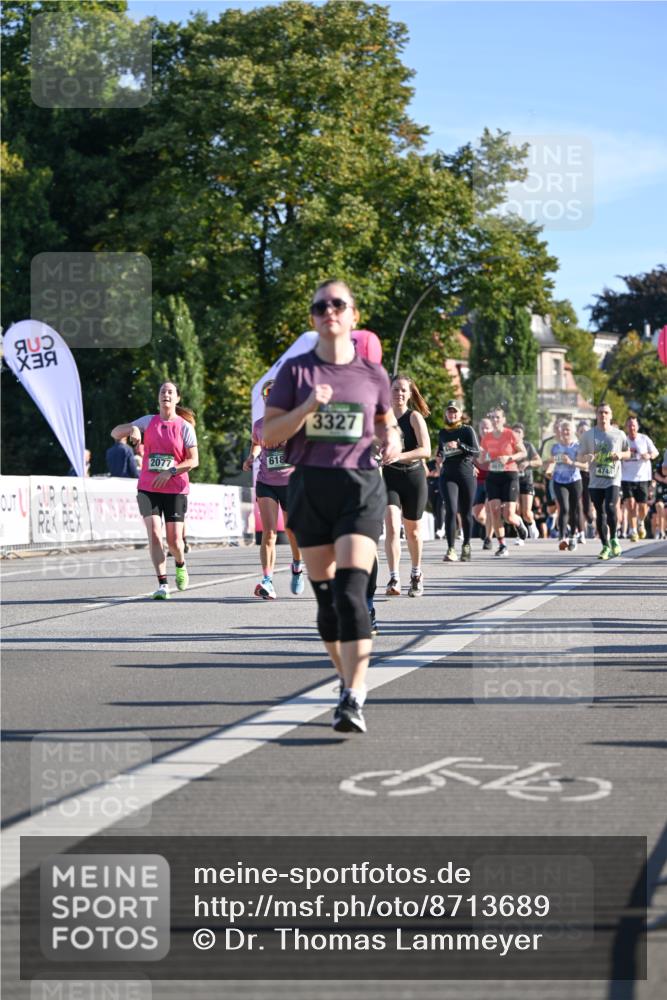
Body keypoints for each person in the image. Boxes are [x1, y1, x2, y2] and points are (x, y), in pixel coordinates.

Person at [263, 279, 400, 734]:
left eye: (338, 304)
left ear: (353, 315)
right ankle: (345, 680)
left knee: (351, 592)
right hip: (310, 487)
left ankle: (354, 696)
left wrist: (390, 440)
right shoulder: (296, 372)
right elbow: (269, 434)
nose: (329, 311)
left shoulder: (372, 375)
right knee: (326, 601)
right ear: (313, 318)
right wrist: (305, 407)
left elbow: (386, 424)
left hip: (359, 487)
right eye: (320, 306)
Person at [111, 381, 198, 598]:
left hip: (175, 487)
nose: (166, 395)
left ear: (177, 398)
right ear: (158, 398)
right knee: (154, 534)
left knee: (175, 541)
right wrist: (132, 428)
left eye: (170, 392)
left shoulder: (185, 427)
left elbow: (193, 461)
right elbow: (114, 433)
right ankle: (162, 584)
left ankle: (180, 563)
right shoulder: (148, 421)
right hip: (148, 487)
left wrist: (170, 471)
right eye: (162, 391)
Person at [243, 380, 305, 599]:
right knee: (268, 533)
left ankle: (297, 565)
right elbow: (256, 443)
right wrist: (252, 457)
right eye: (268, 393)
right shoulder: (259, 425)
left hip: (290, 482)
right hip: (266, 482)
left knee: (292, 531)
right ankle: (267, 580)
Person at [382, 375, 431, 597]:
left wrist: (398, 455)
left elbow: (425, 450)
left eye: (403, 390)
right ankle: (393, 577)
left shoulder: (414, 417)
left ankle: (416, 573)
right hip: (389, 478)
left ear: (410, 394)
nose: (399, 394)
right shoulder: (383, 419)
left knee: (413, 532)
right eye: (395, 389)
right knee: (392, 526)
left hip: (413, 477)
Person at [577, 403, 631, 560]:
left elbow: (628, 453)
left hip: (613, 478)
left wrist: (620, 455)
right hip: (595, 480)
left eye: (606, 412)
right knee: (600, 512)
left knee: (611, 507)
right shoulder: (588, 435)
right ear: (596, 415)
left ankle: (614, 538)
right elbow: (579, 456)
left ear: (611, 415)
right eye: (600, 412)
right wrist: (586, 458)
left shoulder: (619, 434)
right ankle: (605, 546)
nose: (603, 415)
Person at [479, 407, 528, 557]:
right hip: (493, 475)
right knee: (494, 510)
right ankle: (502, 545)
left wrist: (509, 458)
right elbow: (481, 458)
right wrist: (483, 457)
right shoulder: (486, 438)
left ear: (503, 419)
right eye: (492, 417)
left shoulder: (510, 434)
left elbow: (523, 452)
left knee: (508, 515)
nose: (495, 420)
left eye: (498, 417)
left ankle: (519, 523)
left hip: (509, 474)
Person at [436, 400, 479, 562]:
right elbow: (441, 452)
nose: (452, 414)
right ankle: (451, 548)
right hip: (448, 474)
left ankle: (466, 545)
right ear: (446, 414)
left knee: (466, 512)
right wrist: (439, 457)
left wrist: (460, 445)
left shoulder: (467, 430)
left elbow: (477, 451)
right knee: (451, 510)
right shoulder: (442, 432)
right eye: (449, 411)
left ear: (460, 414)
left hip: (466, 473)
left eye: (455, 411)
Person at [544, 419, 587, 551]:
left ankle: (573, 536)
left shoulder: (578, 447)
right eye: (563, 430)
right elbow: (551, 461)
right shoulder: (555, 447)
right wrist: (550, 470)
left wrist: (571, 462)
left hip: (575, 481)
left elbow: (585, 465)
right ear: (560, 432)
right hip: (559, 481)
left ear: (573, 431)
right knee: (564, 508)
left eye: (568, 430)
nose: (565, 432)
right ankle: (562, 537)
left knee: (574, 509)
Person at [620, 415, 659, 541]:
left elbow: (655, 452)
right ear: (626, 427)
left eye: (634, 425)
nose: (632, 427)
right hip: (626, 477)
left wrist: (649, 455)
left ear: (637, 427)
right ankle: (633, 530)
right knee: (630, 504)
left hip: (642, 477)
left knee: (642, 507)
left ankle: (641, 523)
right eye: (629, 425)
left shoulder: (644, 439)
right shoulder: (623, 440)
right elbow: (618, 455)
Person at [512, 423, 542, 540]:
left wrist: (528, 463)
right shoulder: (509, 446)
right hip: (513, 481)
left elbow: (539, 462)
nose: (516, 434)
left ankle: (531, 525)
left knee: (527, 513)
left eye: (519, 432)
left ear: (523, 434)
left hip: (526, 481)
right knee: (515, 510)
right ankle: (520, 535)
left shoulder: (528, 446)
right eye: (514, 432)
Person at [472, 416, 494, 550]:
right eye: (482, 428)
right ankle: (491, 526)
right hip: (477, 481)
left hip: (492, 480)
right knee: (478, 514)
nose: (485, 430)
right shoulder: (475, 444)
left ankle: (488, 538)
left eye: (487, 428)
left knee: (489, 508)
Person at [426, 458, 445, 538]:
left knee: (440, 507)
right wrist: (434, 473)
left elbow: (443, 473)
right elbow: (426, 473)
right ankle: (438, 529)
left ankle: (440, 528)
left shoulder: (445, 463)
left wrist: (438, 469)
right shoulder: (430, 463)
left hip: (442, 488)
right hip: (432, 487)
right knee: (435, 509)